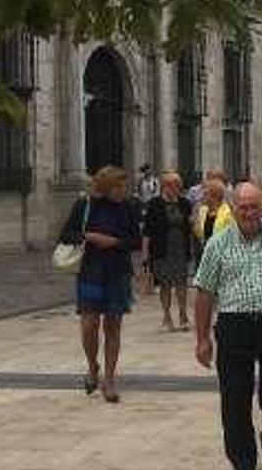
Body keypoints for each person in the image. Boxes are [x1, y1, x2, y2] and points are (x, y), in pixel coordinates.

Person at [192, 183, 262, 470]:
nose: (249, 212)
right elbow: (204, 292)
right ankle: (243, 462)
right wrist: (202, 339)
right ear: (234, 208)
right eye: (243, 207)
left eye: (254, 206)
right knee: (235, 399)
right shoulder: (218, 243)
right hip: (234, 326)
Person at [59, 166, 141, 404]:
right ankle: (92, 365)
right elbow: (65, 234)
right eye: (119, 187)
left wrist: (114, 242)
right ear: (106, 187)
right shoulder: (85, 205)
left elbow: (135, 240)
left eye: (124, 187)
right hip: (91, 271)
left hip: (118, 272)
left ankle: (109, 379)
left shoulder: (128, 207)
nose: (123, 191)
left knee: (113, 326)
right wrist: (89, 237)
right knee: (89, 325)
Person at [142, 171, 194, 332]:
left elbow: (190, 227)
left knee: (181, 282)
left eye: (178, 186)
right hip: (161, 248)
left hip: (180, 247)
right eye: (172, 185)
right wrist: (145, 256)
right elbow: (147, 232)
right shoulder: (154, 204)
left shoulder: (185, 203)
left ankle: (183, 314)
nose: (176, 189)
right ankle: (166, 316)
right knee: (165, 284)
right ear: (165, 187)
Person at [192, 178, 234, 264]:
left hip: (223, 255)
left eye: (205, 194)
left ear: (214, 196)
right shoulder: (202, 211)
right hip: (206, 253)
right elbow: (198, 233)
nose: (201, 197)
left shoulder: (228, 213)